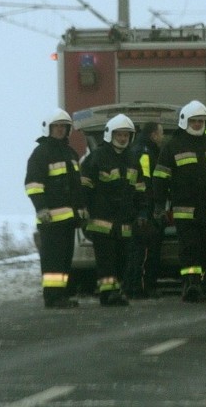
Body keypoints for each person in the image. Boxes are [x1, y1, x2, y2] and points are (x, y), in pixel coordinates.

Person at [153, 100, 206, 303]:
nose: (198, 124)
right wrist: (159, 206)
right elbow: (160, 178)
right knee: (190, 248)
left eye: (201, 121)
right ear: (185, 121)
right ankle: (191, 285)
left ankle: (203, 284)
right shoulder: (172, 146)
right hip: (185, 211)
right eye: (194, 120)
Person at [24, 108, 86, 309]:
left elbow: (77, 187)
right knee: (52, 262)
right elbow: (33, 185)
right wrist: (41, 209)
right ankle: (52, 297)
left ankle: (62, 294)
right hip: (50, 220)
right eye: (56, 127)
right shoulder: (41, 153)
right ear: (48, 129)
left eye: (63, 127)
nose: (60, 130)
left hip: (68, 220)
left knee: (64, 260)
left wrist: (82, 208)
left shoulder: (70, 154)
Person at [80, 113, 144, 306]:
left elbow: (140, 190)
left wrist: (142, 213)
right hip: (102, 222)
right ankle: (107, 294)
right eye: (119, 135)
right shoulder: (96, 158)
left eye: (126, 135)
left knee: (122, 260)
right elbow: (85, 186)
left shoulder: (133, 159)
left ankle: (118, 290)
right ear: (110, 135)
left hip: (125, 222)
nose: (123, 138)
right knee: (106, 261)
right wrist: (83, 208)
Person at [124, 121, 165, 299]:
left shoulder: (135, 149)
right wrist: (152, 208)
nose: (162, 138)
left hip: (137, 209)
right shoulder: (146, 153)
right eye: (161, 134)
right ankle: (142, 287)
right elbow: (147, 183)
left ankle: (133, 286)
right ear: (154, 135)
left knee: (136, 250)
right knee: (144, 251)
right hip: (145, 210)